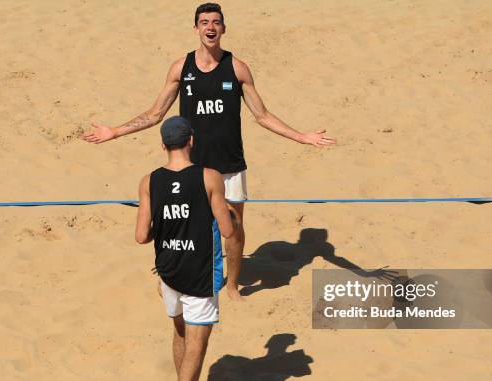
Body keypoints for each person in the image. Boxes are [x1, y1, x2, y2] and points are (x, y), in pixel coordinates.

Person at [84, 2, 336, 301]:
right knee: (187, 224)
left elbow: (262, 115)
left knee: (234, 228)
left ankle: (231, 286)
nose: (210, 27)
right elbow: (155, 114)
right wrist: (114, 131)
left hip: (230, 164)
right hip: (193, 167)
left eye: (216, 22)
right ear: (196, 29)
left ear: (224, 29)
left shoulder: (238, 68)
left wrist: (301, 136)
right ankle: (178, 276)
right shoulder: (181, 67)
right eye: (204, 22)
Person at [135, 115, 237, 381]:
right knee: (198, 340)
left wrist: (166, 226)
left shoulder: (149, 181)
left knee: (178, 327)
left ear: (164, 145)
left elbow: (141, 235)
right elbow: (227, 229)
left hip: (168, 270)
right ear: (191, 141)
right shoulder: (210, 177)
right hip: (200, 272)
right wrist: (228, 214)